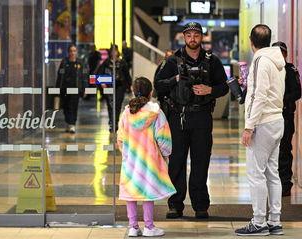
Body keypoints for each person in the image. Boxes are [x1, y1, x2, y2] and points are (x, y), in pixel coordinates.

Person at [154, 22, 229, 219]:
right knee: (176, 162)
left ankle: (200, 205)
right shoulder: (172, 61)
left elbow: (224, 86)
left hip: (202, 117)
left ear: (202, 37)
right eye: (189, 35)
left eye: (196, 35)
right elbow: (158, 86)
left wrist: (210, 90)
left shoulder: (213, 61)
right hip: (177, 118)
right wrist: (175, 80)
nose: (192, 38)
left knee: (201, 162)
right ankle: (175, 205)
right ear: (183, 37)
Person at [235, 24, 286, 236]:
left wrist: (249, 126)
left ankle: (258, 222)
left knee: (256, 174)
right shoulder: (278, 60)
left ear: (251, 40)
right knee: (272, 173)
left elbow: (258, 95)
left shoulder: (260, 60)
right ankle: (274, 220)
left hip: (263, 123)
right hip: (277, 120)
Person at [117, 77, 176, 237]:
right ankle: (149, 227)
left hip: (131, 160)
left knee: (132, 191)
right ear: (151, 93)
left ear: (132, 90)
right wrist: (165, 155)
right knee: (148, 192)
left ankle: (133, 227)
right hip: (150, 161)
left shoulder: (126, 113)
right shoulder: (156, 113)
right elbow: (164, 139)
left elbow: (120, 138)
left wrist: (127, 153)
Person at [271, 41, 301, 196]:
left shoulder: (290, 70)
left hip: (285, 116)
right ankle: (271, 182)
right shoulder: (267, 68)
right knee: (270, 152)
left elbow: (297, 92)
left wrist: (282, 99)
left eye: (282, 52)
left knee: (284, 150)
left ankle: (285, 184)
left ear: (286, 54)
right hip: (269, 117)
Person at [97, 44, 131, 132]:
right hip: (109, 87)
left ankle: (115, 122)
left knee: (118, 105)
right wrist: (102, 83)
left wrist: (129, 86)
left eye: (115, 50)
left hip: (120, 87)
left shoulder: (122, 62)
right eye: (112, 51)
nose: (113, 52)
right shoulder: (106, 62)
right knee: (110, 105)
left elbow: (127, 76)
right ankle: (112, 123)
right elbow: (99, 73)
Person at [56, 44, 86, 133]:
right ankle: (68, 123)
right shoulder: (64, 62)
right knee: (65, 107)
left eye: (74, 51)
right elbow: (60, 75)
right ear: (68, 52)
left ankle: (72, 124)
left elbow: (84, 76)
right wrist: (58, 88)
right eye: (71, 51)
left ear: (76, 52)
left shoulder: (80, 63)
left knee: (73, 107)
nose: (73, 53)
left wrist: (84, 88)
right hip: (65, 89)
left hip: (76, 89)